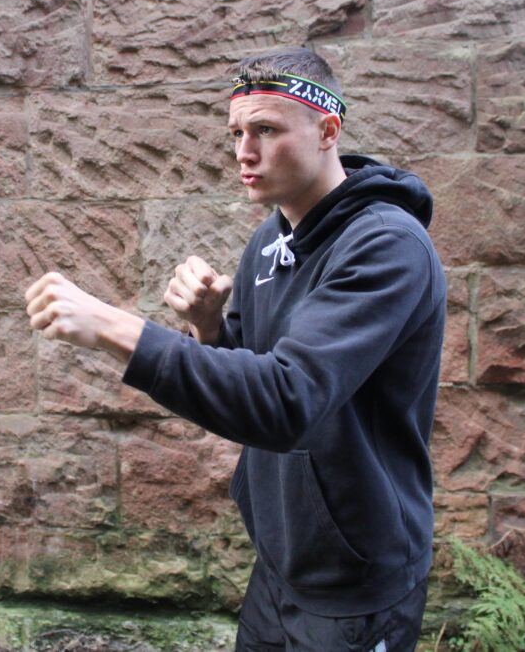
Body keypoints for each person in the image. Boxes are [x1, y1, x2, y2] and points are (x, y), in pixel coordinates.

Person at [24, 46, 446, 652]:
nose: (243, 153)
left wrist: (118, 330)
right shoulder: (268, 242)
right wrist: (209, 328)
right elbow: (250, 374)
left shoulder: (386, 246)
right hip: (279, 561)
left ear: (328, 130)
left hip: (356, 582)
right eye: (236, 132)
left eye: (266, 131)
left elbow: (285, 401)